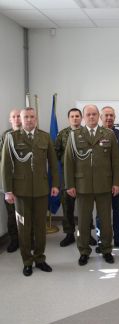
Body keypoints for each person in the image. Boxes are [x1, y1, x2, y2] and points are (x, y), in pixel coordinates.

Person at [1, 107, 59, 276]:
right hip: (21, 191)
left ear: (36, 118)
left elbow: (53, 164)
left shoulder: (45, 137)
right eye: (25, 117)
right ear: (20, 119)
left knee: (40, 227)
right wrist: (8, 191)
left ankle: (40, 259)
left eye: (32, 117)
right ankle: (27, 261)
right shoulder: (11, 138)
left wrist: (55, 184)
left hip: (41, 190)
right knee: (24, 227)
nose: (29, 120)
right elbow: (5, 166)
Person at [64, 104, 119, 266]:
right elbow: (68, 162)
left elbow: (116, 161)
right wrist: (69, 184)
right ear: (83, 117)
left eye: (94, 114)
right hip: (82, 186)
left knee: (105, 220)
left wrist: (116, 182)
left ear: (99, 116)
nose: (91, 117)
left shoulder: (109, 134)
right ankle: (84, 251)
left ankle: (106, 250)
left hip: (105, 184)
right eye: (88, 114)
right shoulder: (74, 135)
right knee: (82, 221)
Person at [55, 108, 98, 247]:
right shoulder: (62, 134)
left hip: (84, 176)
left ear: (82, 118)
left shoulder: (87, 133)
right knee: (67, 205)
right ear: (69, 119)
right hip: (67, 175)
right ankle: (69, 234)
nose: (75, 118)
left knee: (85, 206)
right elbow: (56, 154)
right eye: (72, 116)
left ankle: (86, 233)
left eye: (77, 116)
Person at [96, 106, 119, 250]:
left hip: (118, 180)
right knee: (100, 213)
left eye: (111, 115)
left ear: (115, 117)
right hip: (100, 180)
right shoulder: (94, 134)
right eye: (106, 115)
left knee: (118, 211)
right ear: (101, 117)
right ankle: (101, 241)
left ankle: (118, 239)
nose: (109, 118)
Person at [0, 109, 21, 253]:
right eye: (14, 116)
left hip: (26, 181)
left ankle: (29, 239)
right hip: (9, 182)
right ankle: (14, 240)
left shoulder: (30, 133)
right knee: (11, 213)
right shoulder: (5, 136)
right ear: (10, 119)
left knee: (28, 213)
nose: (17, 119)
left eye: (19, 116)